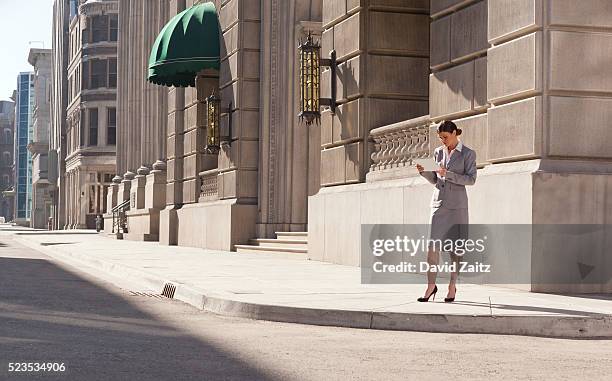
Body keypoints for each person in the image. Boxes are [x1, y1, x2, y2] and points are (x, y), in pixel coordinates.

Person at [415, 120, 477, 303]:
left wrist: (447, 174)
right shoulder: (438, 152)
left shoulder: (468, 154)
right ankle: (430, 286)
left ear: (455, 134)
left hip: (457, 205)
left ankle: (452, 285)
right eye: (440, 138)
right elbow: (436, 179)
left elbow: (471, 179)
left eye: (445, 137)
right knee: (432, 246)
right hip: (439, 203)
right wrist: (424, 172)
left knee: (455, 248)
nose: (443, 141)